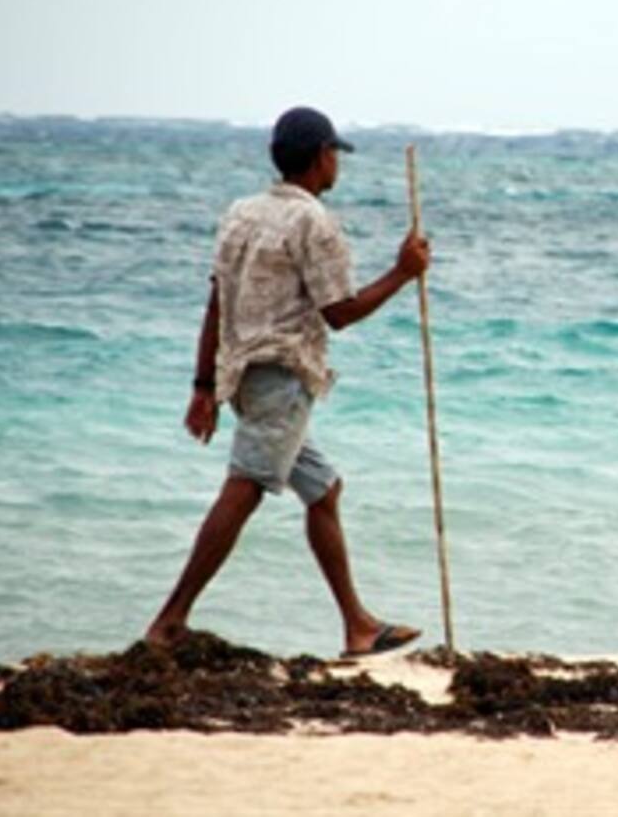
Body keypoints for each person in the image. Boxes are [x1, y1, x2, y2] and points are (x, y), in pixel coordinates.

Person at [146, 106, 430, 657]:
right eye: (333, 154)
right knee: (245, 486)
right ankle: (170, 619)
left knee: (323, 490)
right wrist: (403, 272)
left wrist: (204, 386)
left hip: (244, 377)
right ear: (321, 157)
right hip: (281, 376)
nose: (336, 165)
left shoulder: (241, 213)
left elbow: (216, 302)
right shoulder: (313, 221)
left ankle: (358, 626)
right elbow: (340, 313)